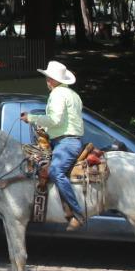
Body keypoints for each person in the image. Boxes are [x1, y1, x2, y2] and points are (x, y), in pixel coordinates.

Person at [22, 60, 87, 230]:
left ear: (57, 80)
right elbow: (62, 121)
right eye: (48, 78)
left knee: (56, 171)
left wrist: (32, 118)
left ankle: (77, 213)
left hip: (66, 142)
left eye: (50, 78)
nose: (47, 81)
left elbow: (55, 120)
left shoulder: (57, 94)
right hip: (69, 140)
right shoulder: (73, 95)